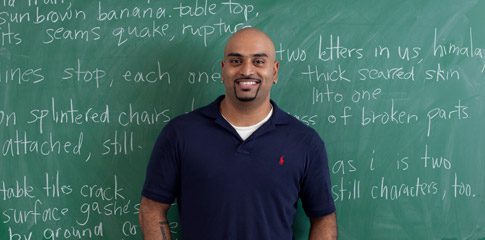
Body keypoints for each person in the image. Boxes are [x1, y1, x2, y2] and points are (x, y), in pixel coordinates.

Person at [139, 27, 337, 240]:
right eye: (236, 61)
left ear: (275, 71)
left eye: (259, 61)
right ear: (223, 70)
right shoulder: (181, 133)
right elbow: (151, 208)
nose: (246, 71)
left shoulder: (305, 142)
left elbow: (323, 218)